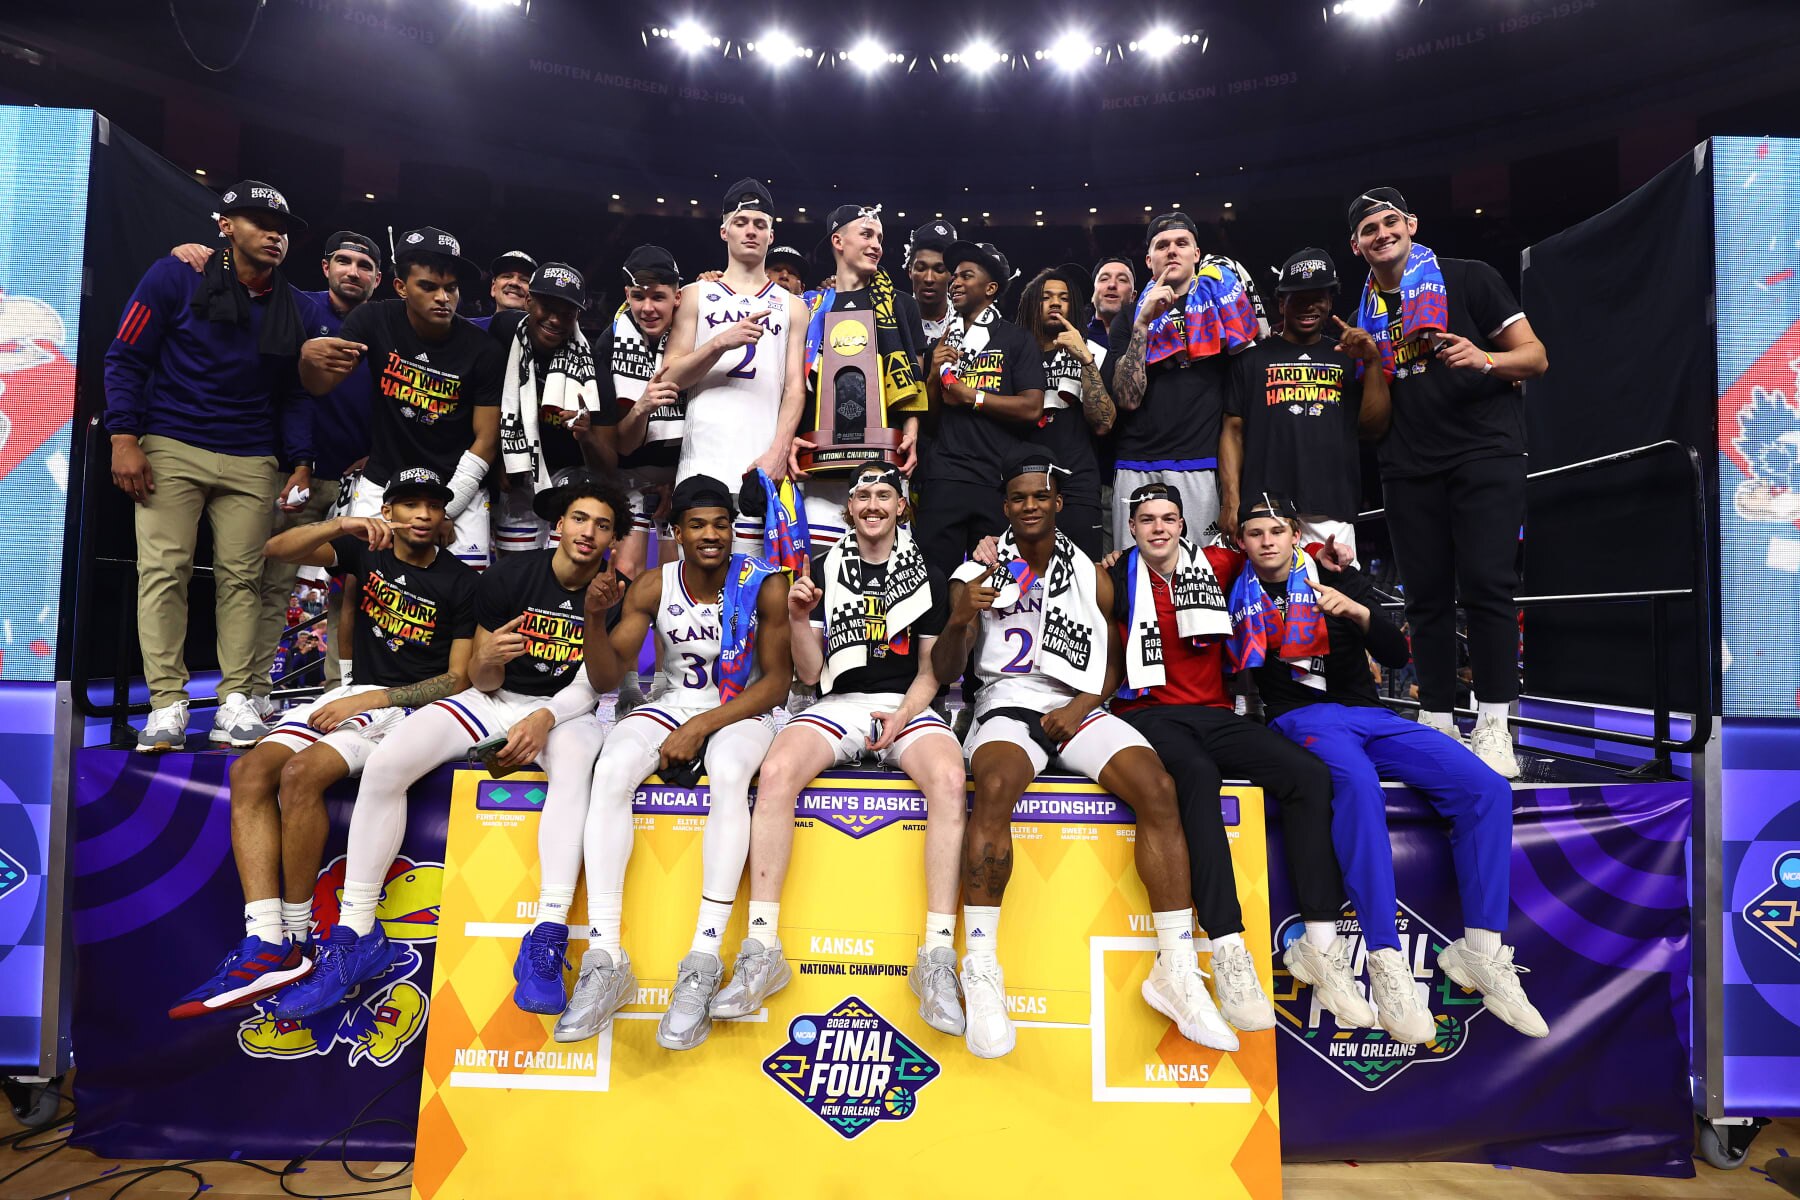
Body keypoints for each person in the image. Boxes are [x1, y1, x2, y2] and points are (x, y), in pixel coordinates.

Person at [268, 471, 626, 1019]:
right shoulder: (510, 577)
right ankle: (355, 934)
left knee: (576, 764)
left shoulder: (612, 590)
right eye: (580, 518)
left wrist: (549, 712)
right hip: (496, 699)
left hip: (565, 709)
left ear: (612, 541)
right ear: (558, 525)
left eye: (602, 526)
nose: (589, 532)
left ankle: (547, 936)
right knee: (387, 762)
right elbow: (477, 678)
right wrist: (490, 661)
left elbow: (599, 684)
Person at [931, 446, 1236, 1060]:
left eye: (1039, 496)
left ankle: (1175, 969)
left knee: (1157, 787)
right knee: (992, 788)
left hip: (1077, 704)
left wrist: (1081, 706)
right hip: (1007, 702)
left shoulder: (1092, 574)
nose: (1029, 506)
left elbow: (1114, 658)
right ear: (1005, 508)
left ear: (1057, 504)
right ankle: (982, 970)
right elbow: (943, 670)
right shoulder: (977, 572)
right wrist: (962, 618)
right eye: (1017, 498)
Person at [1231, 493, 1547, 1043]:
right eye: (1255, 533)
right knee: (1356, 786)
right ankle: (1385, 958)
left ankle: (1481, 951)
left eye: (1276, 531)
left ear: (1292, 533)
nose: (1267, 541)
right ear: (1242, 542)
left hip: (1369, 714)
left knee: (1486, 788)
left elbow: (1399, 656)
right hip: (1301, 717)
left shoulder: (1333, 576)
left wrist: (1356, 610)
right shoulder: (1229, 585)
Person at [167, 467, 477, 1019]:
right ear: (392, 511)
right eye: (410, 504)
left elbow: (458, 679)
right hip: (352, 691)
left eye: (434, 505)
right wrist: (344, 524)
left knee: (300, 774)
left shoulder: (461, 582)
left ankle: (300, 932)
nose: (424, 515)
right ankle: (266, 940)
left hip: (402, 703)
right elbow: (276, 548)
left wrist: (370, 701)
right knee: (249, 773)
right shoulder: (364, 552)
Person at [1104, 483, 1374, 1033]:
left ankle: (1320, 943)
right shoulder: (1113, 575)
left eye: (1169, 518)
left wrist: (1326, 557)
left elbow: (1278, 554)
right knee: (1197, 779)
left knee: (1308, 776)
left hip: (1217, 713)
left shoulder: (1222, 563)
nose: (1159, 528)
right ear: (1131, 528)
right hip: (1146, 713)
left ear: (1183, 523)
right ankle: (1228, 949)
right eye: (1147, 519)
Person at [711, 462, 966, 1034]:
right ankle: (761, 949)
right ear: (849, 508)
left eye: (884, 494)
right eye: (862, 496)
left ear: (902, 506)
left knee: (950, 782)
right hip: (838, 702)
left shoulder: (931, 571)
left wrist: (901, 718)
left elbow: (933, 673)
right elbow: (809, 673)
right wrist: (799, 618)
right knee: (775, 772)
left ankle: (938, 959)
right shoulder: (822, 569)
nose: (873, 503)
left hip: (908, 703)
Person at [554, 474, 792, 1050]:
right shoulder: (654, 585)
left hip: (742, 711)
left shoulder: (764, 585)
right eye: (697, 525)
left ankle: (704, 960)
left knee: (730, 774)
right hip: (672, 703)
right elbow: (609, 678)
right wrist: (592, 618)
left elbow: (780, 685)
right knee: (608, 772)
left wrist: (704, 725)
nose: (711, 535)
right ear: (675, 532)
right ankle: (606, 958)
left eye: (721, 524)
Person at [105, 179, 316, 751]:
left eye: (282, 230)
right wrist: (123, 436)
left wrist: (299, 461)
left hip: (252, 455)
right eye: (258, 223)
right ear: (224, 226)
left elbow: (293, 392)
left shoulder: (290, 303)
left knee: (244, 580)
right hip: (171, 442)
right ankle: (167, 704)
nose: (274, 236)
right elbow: (125, 355)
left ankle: (237, 701)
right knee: (163, 573)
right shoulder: (175, 274)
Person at [1346, 187, 1548, 777]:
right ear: (1357, 247)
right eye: (1368, 230)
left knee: (1487, 588)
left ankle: (1492, 727)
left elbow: (1535, 357)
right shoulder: (1364, 317)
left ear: (1410, 223)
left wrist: (1483, 359)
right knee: (1427, 599)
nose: (1382, 234)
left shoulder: (1468, 278)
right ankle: (1436, 724)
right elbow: (1372, 416)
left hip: (1484, 453)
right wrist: (1371, 367)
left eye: (1390, 222)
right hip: (1407, 464)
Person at [167, 228, 382, 697]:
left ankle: (341, 696)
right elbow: (290, 389)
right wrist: (193, 252)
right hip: (293, 474)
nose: (353, 271)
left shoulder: (385, 326)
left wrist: (376, 452)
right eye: (343, 261)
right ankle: (251, 693)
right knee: (269, 585)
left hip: (360, 484)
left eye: (364, 266)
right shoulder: (297, 307)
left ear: (379, 279)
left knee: (355, 593)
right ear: (326, 268)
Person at [300, 227, 503, 572]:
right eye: (428, 286)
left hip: (457, 489)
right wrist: (307, 358)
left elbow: (485, 440)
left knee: (464, 599)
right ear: (400, 287)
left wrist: (443, 511)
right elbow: (320, 386)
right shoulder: (372, 319)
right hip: (384, 480)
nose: (443, 297)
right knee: (360, 588)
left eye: (451, 288)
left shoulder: (483, 350)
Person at [661, 178, 808, 558]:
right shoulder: (694, 295)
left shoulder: (792, 306)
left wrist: (778, 452)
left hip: (759, 463)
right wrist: (719, 343)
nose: (751, 231)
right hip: (702, 459)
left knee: (757, 592)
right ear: (724, 230)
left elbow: (795, 387)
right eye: (742, 222)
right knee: (697, 582)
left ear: (771, 235)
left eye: (760, 224)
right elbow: (669, 378)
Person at [1103, 211, 1261, 551]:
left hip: (1199, 463)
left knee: (1197, 578)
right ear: (1149, 259)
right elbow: (1127, 399)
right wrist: (1143, 324)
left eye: (1181, 243)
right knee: (1131, 580)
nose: (1171, 251)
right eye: (1162, 245)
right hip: (1135, 462)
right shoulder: (1129, 316)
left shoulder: (1225, 307)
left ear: (1196, 254)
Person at [1220, 248, 1391, 554]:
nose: (1309, 305)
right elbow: (1232, 433)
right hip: (1265, 511)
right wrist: (1231, 501)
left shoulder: (1349, 357)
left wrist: (1374, 363)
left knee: (1336, 600)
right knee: (1269, 602)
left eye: (1319, 296)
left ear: (1330, 302)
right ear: (1281, 302)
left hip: (1331, 509)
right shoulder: (1250, 361)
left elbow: (1373, 429)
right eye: (1298, 297)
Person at [795, 204, 928, 556]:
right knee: (818, 586)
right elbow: (793, 384)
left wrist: (912, 434)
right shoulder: (809, 307)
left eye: (880, 239)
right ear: (838, 241)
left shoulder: (900, 304)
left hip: (881, 472)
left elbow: (913, 378)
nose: (876, 245)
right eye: (867, 234)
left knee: (884, 590)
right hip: (821, 473)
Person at [915, 240, 1046, 579]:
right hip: (945, 476)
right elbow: (929, 423)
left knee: (994, 584)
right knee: (933, 580)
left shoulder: (1016, 340)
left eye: (966, 276)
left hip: (996, 480)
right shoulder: (941, 345)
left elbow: (1032, 408)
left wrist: (972, 397)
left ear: (990, 288)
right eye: (954, 276)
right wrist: (932, 376)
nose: (954, 283)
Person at [489, 263, 616, 557]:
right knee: (514, 572)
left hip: (570, 480)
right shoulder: (504, 330)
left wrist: (586, 436)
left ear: (578, 316)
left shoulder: (593, 371)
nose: (556, 319)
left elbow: (609, 465)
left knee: (567, 572)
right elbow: (485, 405)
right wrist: (500, 458)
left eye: (567, 312)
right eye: (547, 306)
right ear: (528, 301)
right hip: (519, 476)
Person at [1016, 264, 1112, 557]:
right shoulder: (1012, 351)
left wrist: (1085, 359)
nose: (1056, 302)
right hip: (1024, 482)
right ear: (1033, 303)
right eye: (1046, 297)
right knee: (1024, 579)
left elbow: (1104, 423)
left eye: (1064, 297)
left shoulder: (1095, 351)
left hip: (1078, 482)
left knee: (1085, 577)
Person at [605, 244, 687, 584]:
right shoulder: (608, 345)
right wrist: (642, 406)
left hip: (680, 475)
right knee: (624, 575)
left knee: (673, 580)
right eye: (638, 297)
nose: (648, 308)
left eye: (658, 297)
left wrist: (675, 479)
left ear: (678, 297)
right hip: (628, 475)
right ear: (627, 294)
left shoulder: (692, 338)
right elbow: (619, 446)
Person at [905, 219, 958, 343]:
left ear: (952, 274)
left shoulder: (968, 324)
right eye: (921, 268)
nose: (929, 279)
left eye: (939, 270)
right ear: (910, 271)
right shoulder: (893, 322)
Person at [1088, 256, 1137, 349]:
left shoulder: (1147, 339)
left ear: (1133, 297)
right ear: (1092, 294)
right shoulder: (1076, 339)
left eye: (1122, 280)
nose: (1112, 285)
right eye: (1104, 279)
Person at [485, 249, 537, 321]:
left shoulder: (544, 332)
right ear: (493, 287)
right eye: (507, 276)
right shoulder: (468, 330)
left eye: (524, 280)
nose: (514, 283)